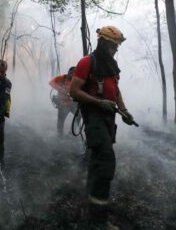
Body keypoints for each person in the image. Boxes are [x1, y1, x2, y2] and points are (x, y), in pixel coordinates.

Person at [69, 26, 136, 230]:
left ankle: (91, 205)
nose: (116, 50)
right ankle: (98, 221)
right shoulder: (87, 62)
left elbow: (115, 91)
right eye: (114, 45)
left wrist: (124, 111)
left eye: (118, 46)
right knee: (106, 159)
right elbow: (74, 91)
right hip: (94, 116)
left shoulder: (111, 66)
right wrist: (98, 103)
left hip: (108, 118)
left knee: (97, 160)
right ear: (104, 43)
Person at [49, 67, 78, 137]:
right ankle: (60, 135)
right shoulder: (62, 78)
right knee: (61, 121)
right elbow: (51, 82)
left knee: (79, 116)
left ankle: (71, 132)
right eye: (72, 72)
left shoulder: (77, 80)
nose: (73, 75)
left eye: (75, 73)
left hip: (73, 103)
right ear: (69, 72)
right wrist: (60, 89)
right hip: (63, 103)